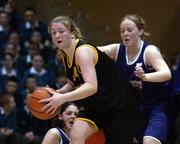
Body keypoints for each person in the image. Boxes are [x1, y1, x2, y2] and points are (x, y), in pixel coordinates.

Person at [40, 15, 140, 144]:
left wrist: (63, 99)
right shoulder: (65, 54)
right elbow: (72, 83)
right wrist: (58, 93)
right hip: (95, 107)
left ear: (72, 33)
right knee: (76, 133)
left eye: (61, 31)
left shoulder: (82, 51)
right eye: (53, 33)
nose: (57, 35)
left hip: (119, 108)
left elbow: (91, 86)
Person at [98, 14, 176, 144]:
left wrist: (146, 77)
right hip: (135, 109)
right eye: (122, 31)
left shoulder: (149, 51)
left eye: (129, 30)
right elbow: (90, 51)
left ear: (141, 31)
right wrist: (72, 45)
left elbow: (166, 73)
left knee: (149, 141)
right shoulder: (117, 50)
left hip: (157, 107)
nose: (125, 34)